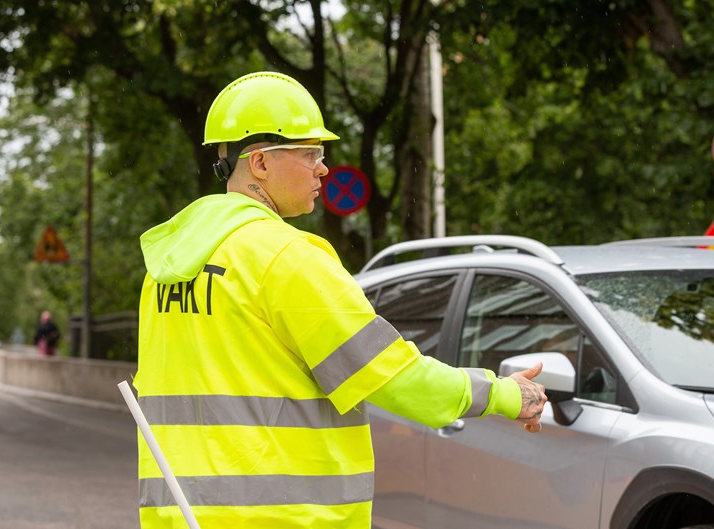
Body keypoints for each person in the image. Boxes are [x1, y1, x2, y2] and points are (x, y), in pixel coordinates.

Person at [134, 71, 548, 529]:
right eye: (310, 153)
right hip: (284, 518)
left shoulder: (167, 270)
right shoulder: (284, 256)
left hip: (182, 515)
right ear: (261, 164)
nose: (323, 169)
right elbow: (392, 377)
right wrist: (507, 394)